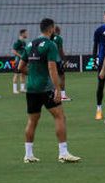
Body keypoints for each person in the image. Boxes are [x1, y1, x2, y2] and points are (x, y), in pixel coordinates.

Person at [19, 18, 80, 164]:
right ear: (51, 29)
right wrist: (58, 89)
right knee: (60, 117)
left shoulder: (30, 44)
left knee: (32, 121)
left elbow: (20, 67)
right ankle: (63, 153)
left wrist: (33, 75)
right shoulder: (51, 45)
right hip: (46, 88)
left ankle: (28, 154)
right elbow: (52, 69)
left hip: (31, 88)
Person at [52, 25, 68, 102]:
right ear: (58, 31)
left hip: (49, 60)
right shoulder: (58, 38)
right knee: (61, 77)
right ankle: (63, 96)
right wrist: (64, 60)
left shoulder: (48, 38)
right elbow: (60, 50)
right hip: (57, 60)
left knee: (51, 77)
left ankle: (51, 94)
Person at [11, 29, 28, 95]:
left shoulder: (24, 42)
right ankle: (14, 90)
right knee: (16, 74)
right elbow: (14, 51)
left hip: (23, 61)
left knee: (23, 74)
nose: (27, 34)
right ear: (22, 34)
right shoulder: (17, 42)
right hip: (18, 60)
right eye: (26, 33)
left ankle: (22, 88)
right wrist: (21, 56)